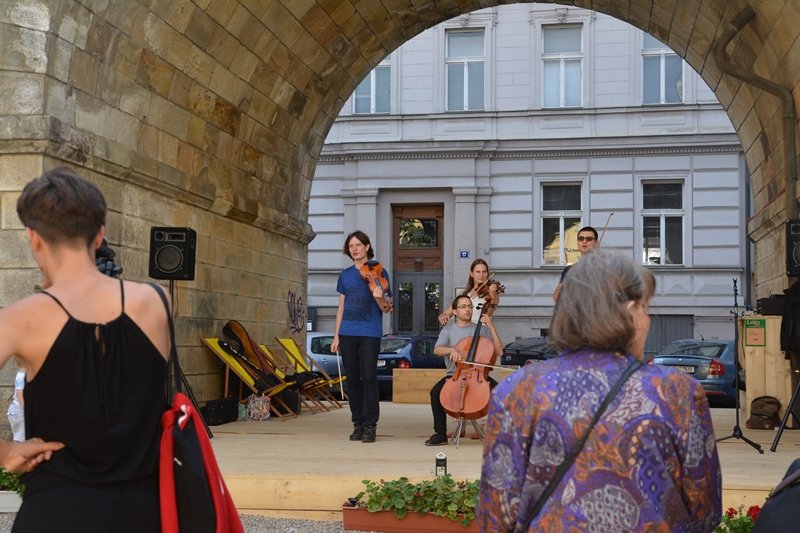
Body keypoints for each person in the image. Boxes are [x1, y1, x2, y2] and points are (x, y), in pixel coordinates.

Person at [477, 250, 721, 532]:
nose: (648, 320)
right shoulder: (675, 392)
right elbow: (704, 512)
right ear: (629, 312)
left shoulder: (517, 390)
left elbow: (495, 516)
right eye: (646, 308)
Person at [0, 166, 172, 531]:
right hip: (145, 512)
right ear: (99, 236)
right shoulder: (157, 302)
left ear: (34, 238)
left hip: (55, 510)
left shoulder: (18, 320)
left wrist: (6, 452)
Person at [331, 230, 392, 443]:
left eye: (358, 245)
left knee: (369, 378)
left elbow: (386, 307)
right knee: (352, 380)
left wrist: (378, 296)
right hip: (347, 332)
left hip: (369, 332)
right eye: (351, 246)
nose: (355, 249)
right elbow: (341, 307)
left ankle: (370, 424)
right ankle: (357, 423)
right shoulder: (345, 275)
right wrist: (336, 336)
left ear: (367, 247)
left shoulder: (380, 272)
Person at [425, 294, 503, 446]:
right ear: (454, 311)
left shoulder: (481, 329)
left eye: (470, 306)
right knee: (435, 392)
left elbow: (499, 352)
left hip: (479, 375)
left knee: (503, 394)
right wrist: (450, 350)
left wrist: (491, 326)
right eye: (463, 307)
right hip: (454, 375)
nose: (468, 310)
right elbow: (437, 349)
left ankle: (500, 433)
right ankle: (440, 433)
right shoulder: (448, 330)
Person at [438, 259, 501, 325]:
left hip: (481, 332)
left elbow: (489, 312)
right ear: (471, 274)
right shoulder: (464, 294)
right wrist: (443, 316)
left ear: (487, 274)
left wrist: (493, 295)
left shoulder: (491, 293)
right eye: (478, 272)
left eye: (484, 272)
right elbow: (445, 313)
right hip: (464, 333)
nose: (481, 275)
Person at [552, 225, 598, 301]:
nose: (584, 241)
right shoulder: (570, 269)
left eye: (589, 239)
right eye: (581, 239)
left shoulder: (603, 268)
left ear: (596, 243)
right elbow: (556, 296)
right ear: (577, 243)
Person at [7, 369, 25, 442]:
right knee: (20, 440)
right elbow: (19, 393)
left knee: (19, 438)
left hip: (17, 409)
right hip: (20, 410)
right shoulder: (23, 373)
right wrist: (26, 410)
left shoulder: (22, 372)